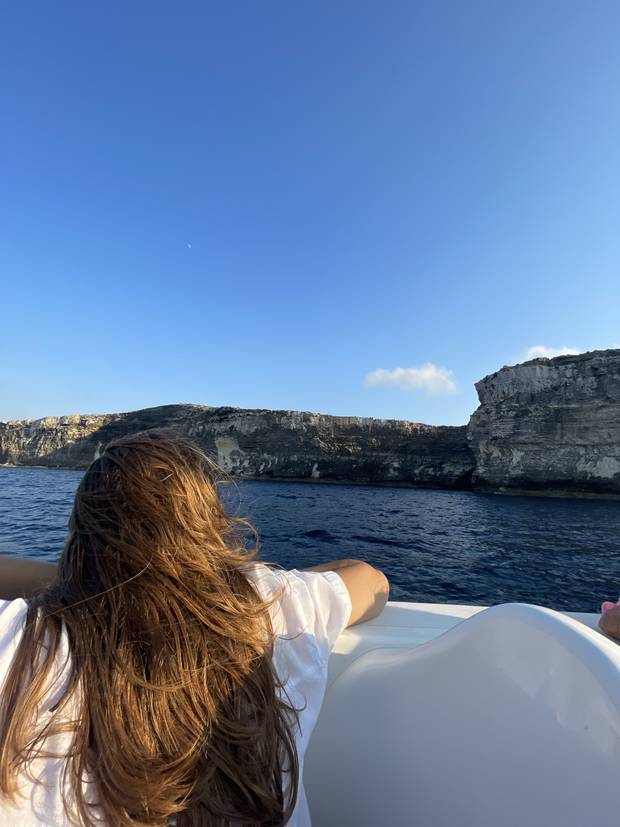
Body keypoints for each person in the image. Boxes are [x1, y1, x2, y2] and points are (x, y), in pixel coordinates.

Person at [0, 431, 389, 827]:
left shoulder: (17, 639)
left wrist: (94, 582)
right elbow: (372, 582)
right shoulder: (273, 606)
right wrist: (192, 580)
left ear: (80, 532)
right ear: (209, 524)